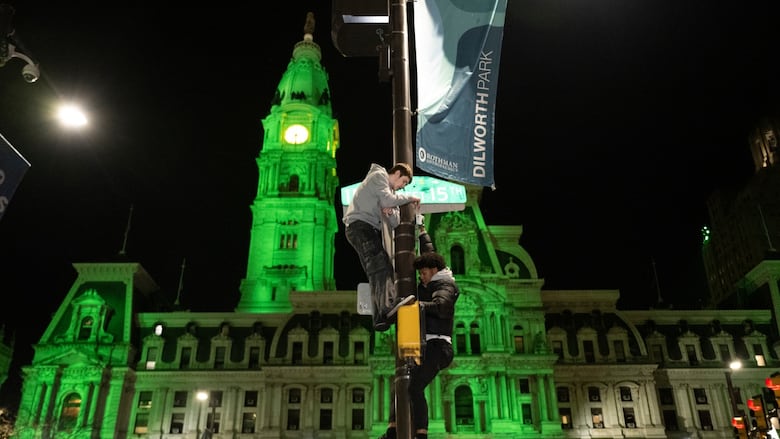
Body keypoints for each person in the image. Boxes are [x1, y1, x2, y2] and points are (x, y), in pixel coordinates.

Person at [380, 250, 460, 439]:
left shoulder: (445, 286)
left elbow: (441, 307)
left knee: (415, 386)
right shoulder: (431, 284)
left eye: (423, 273)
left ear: (433, 270)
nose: (421, 278)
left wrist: (416, 306)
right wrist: (422, 232)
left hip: (438, 347)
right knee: (400, 382)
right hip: (426, 346)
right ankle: (393, 428)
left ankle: (421, 433)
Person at [343, 163, 421, 331]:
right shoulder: (379, 177)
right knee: (380, 266)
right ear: (397, 173)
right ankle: (388, 306)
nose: (402, 187)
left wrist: (391, 211)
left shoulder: (390, 193)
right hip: (360, 226)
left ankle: (380, 318)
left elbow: (395, 222)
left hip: (364, 229)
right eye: (404, 182)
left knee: (377, 269)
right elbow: (388, 200)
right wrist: (411, 197)